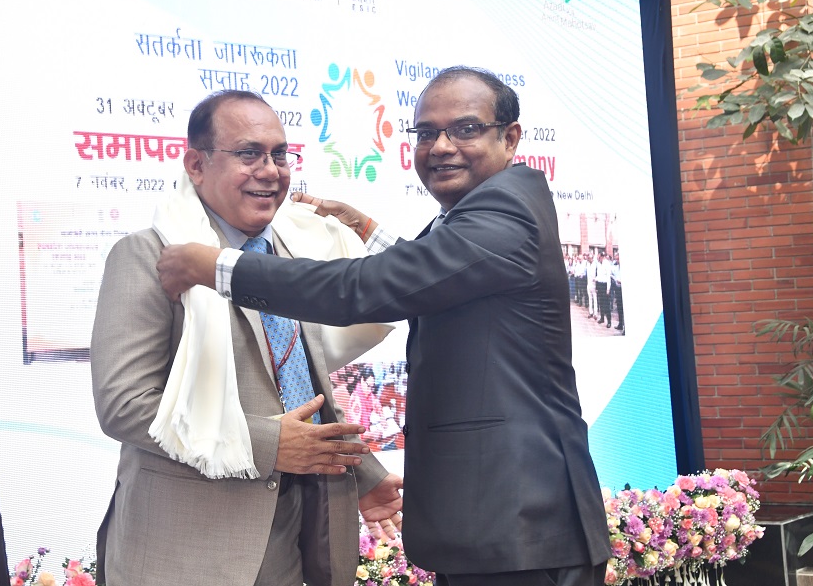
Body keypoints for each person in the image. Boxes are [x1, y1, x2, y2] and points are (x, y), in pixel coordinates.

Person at [156, 67, 611, 585]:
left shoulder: (504, 210)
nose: (441, 147)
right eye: (426, 133)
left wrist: (216, 267)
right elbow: (441, 281)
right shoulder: (480, 211)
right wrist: (364, 228)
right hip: (499, 527)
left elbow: (371, 288)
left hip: (521, 527)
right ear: (196, 165)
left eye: (464, 129)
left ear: (509, 138)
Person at [90, 89, 402, 586]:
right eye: (249, 154)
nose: (270, 171)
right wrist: (268, 444)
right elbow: (125, 405)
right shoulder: (150, 256)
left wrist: (363, 473)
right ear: (196, 165)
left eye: (280, 154)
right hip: (190, 553)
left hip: (298, 538)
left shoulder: (293, 254)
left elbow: (301, 389)